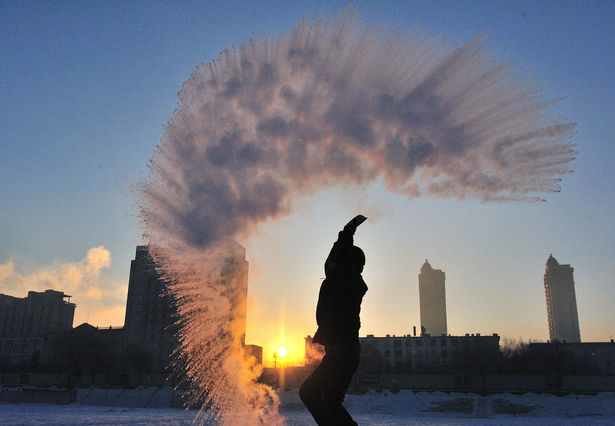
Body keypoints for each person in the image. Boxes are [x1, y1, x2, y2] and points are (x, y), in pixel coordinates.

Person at [299, 214, 368, 426]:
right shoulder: (345, 280)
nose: (336, 262)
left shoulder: (346, 282)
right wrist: (346, 234)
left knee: (317, 396)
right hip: (342, 352)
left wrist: (346, 234)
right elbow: (333, 261)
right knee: (321, 398)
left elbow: (334, 260)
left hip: (343, 352)